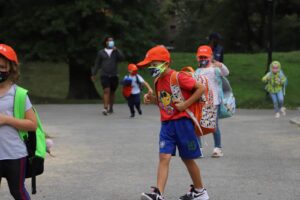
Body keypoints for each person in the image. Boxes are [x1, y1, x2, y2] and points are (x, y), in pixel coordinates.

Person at [137, 45, 209, 200]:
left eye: (154, 64)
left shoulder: (178, 77)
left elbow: (201, 88)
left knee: (187, 159)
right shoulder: (157, 80)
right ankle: (158, 194)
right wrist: (152, 99)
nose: (152, 68)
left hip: (183, 123)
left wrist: (185, 104)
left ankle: (200, 191)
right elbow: (165, 103)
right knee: (164, 157)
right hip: (167, 125)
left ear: (166, 63)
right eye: (150, 65)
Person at [0, 44, 37, 200]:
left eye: (1, 66)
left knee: (18, 192)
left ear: (10, 69)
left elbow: (32, 124)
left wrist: (6, 119)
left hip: (14, 154)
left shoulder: (19, 94)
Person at [194, 45, 229, 158]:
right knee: (198, 126)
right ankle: (199, 149)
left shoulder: (215, 69)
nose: (203, 59)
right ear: (197, 58)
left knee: (213, 126)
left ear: (211, 57)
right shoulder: (197, 71)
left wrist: (221, 65)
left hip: (214, 102)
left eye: (205, 57)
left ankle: (217, 148)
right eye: (201, 57)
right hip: (200, 102)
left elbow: (226, 73)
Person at [91, 36, 124, 115]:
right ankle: (105, 108)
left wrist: (117, 50)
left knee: (112, 92)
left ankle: (111, 107)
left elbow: (122, 58)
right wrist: (93, 74)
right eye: (109, 41)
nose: (110, 42)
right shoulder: (101, 52)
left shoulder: (115, 52)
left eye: (112, 41)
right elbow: (97, 64)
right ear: (105, 42)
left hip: (114, 75)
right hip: (104, 75)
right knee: (106, 91)